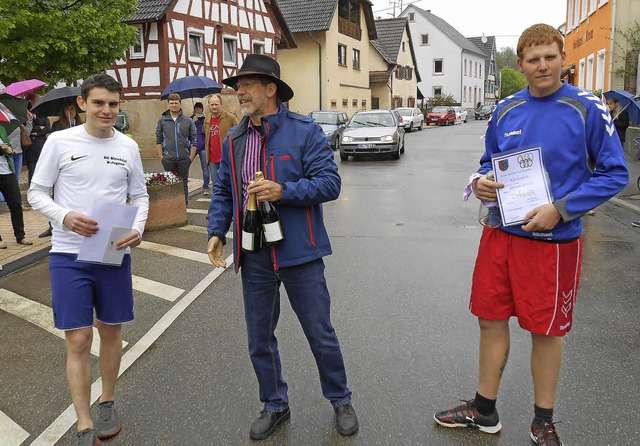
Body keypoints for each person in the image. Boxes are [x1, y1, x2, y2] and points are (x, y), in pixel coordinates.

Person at [433, 24, 628, 446]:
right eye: (533, 59)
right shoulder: (506, 109)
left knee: (546, 331)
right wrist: (481, 180)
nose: (542, 65)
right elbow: (489, 162)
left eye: (549, 57)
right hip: (500, 235)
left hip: (553, 246)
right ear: (519, 65)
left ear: (563, 60)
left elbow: (616, 173)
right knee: (490, 320)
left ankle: (543, 421)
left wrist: (560, 210)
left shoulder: (587, 108)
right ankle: (484, 411)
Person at [206, 54, 358, 440]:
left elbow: (330, 183)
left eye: (246, 84)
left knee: (319, 333)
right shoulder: (235, 138)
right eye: (236, 85)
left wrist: (283, 191)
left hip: (300, 255)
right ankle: (275, 404)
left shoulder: (304, 131)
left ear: (270, 89)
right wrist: (216, 231)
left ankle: (340, 399)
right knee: (259, 338)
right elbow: (224, 190)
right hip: (254, 254)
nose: (238, 91)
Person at [27, 73, 149, 446]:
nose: (106, 110)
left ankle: (107, 401)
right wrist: (64, 217)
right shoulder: (59, 142)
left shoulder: (127, 146)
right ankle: (83, 423)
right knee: (78, 339)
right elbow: (36, 192)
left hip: (112, 251)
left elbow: (140, 196)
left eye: (113, 104)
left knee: (111, 331)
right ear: (82, 104)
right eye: (98, 103)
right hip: (68, 253)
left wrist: (139, 229)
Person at [155, 93, 197, 204]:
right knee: (171, 184)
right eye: (172, 103)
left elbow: (194, 140)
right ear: (168, 104)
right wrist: (161, 157)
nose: (174, 105)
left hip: (184, 158)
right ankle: (173, 208)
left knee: (183, 184)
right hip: (168, 159)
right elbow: (158, 140)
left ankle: (184, 207)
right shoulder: (162, 121)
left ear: (180, 104)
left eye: (176, 103)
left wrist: (191, 157)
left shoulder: (188, 121)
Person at [0, 125, 33, 248]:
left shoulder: (2, 129)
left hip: (7, 171)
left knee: (16, 204)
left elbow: (9, 146)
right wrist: (2, 149)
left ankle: (20, 236)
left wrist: (8, 149)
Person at [203, 93, 238, 196]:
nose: (214, 107)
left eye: (216, 104)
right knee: (216, 187)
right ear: (208, 105)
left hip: (227, 158)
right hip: (213, 160)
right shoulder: (207, 120)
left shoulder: (230, 118)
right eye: (212, 104)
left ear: (221, 104)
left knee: (230, 186)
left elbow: (239, 133)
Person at [26, 107, 51, 186]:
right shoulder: (27, 117)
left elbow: (48, 128)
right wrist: (40, 127)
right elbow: (28, 130)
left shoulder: (43, 117)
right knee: (32, 171)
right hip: (31, 149)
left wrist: (37, 133)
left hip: (42, 147)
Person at [190, 102, 208, 194]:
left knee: (205, 168)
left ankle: (206, 188)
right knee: (186, 165)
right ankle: (183, 185)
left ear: (202, 109)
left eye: (200, 108)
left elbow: (206, 132)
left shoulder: (205, 119)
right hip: (193, 146)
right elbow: (186, 131)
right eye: (196, 108)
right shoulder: (190, 119)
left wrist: (203, 124)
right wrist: (193, 122)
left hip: (203, 147)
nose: (198, 110)